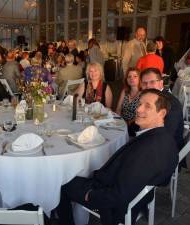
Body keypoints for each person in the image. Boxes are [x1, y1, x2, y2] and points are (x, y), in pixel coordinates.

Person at [56, 89, 179, 225]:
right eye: (139, 104)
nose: (138, 109)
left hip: (110, 202)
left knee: (60, 184)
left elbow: (119, 195)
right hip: (123, 186)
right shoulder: (164, 137)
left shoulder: (149, 149)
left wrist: (90, 195)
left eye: (147, 106)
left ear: (162, 113)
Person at [140, 68, 184, 151]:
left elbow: (165, 136)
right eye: (144, 83)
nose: (148, 86)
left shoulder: (171, 104)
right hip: (150, 139)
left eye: (152, 82)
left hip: (166, 151)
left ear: (161, 83)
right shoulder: (149, 99)